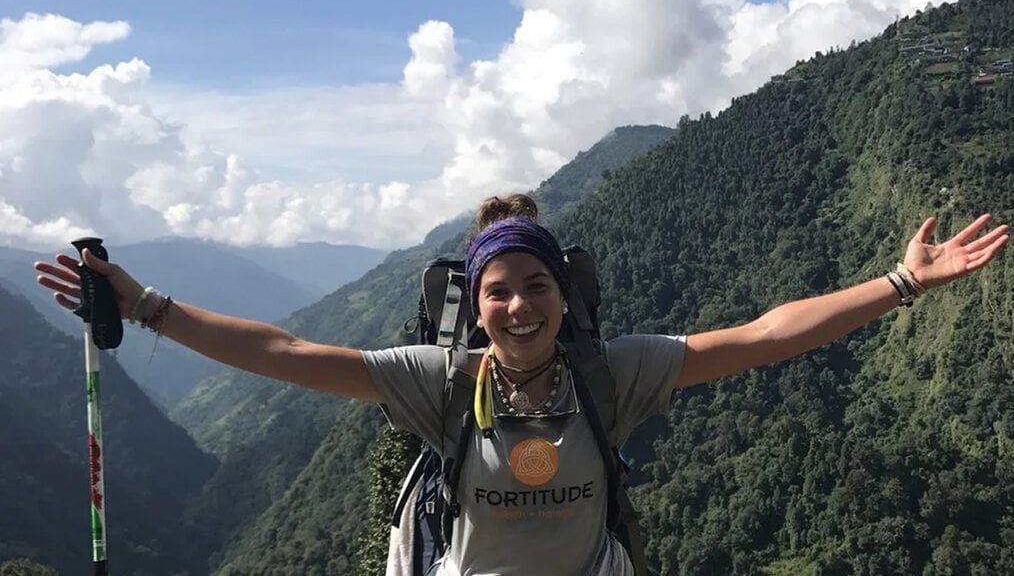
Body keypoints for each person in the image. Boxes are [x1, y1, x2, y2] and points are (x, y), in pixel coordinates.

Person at [34, 194, 1008, 576]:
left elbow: (758, 337)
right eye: (500, 290)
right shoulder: (440, 382)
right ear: (478, 301)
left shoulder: (612, 374)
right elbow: (287, 356)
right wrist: (151, 306)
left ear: (561, 294)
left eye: (535, 286)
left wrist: (898, 284)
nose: (518, 306)